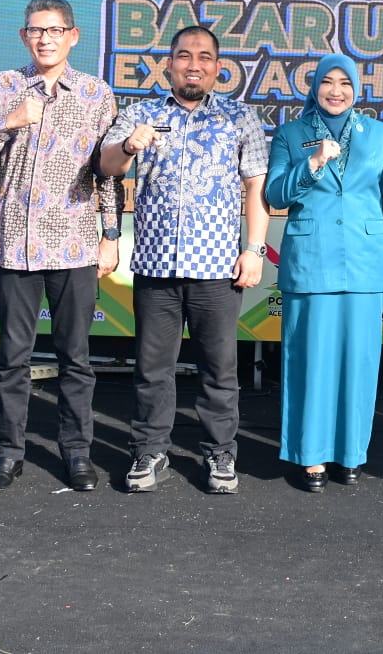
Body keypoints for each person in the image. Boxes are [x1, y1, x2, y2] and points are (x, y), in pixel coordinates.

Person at [0, 0, 122, 494]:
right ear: (24, 36)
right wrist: (11, 122)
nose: (44, 38)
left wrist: (111, 235)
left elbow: (106, 173)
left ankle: (77, 453)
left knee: (76, 358)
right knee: (13, 358)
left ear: (73, 36)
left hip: (73, 247)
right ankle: (8, 453)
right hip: (13, 246)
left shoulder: (96, 94)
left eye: (54, 30)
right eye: (35, 30)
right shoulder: (1, 87)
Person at [99, 25, 269, 495]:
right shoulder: (141, 114)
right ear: (168, 64)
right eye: (183, 55)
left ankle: (220, 456)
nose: (194, 64)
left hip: (217, 269)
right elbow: (107, 166)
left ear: (218, 67)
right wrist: (130, 145)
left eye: (204, 57)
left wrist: (253, 250)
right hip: (155, 266)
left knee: (219, 370)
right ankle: (150, 451)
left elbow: (256, 187)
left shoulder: (240, 118)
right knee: (152, 369)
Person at [265, 53, 383, 492]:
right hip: (311, 262)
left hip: (365, 264)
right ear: (313, 87)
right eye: (326, 82)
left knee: (359, 363)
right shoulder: (292, 134)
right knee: (310, 363)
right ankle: (309, 457)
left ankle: (350, 455)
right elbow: (274, 196)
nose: (335, 91)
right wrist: (311, 166)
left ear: (356, 87)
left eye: (343, 83)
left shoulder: (378, 134)